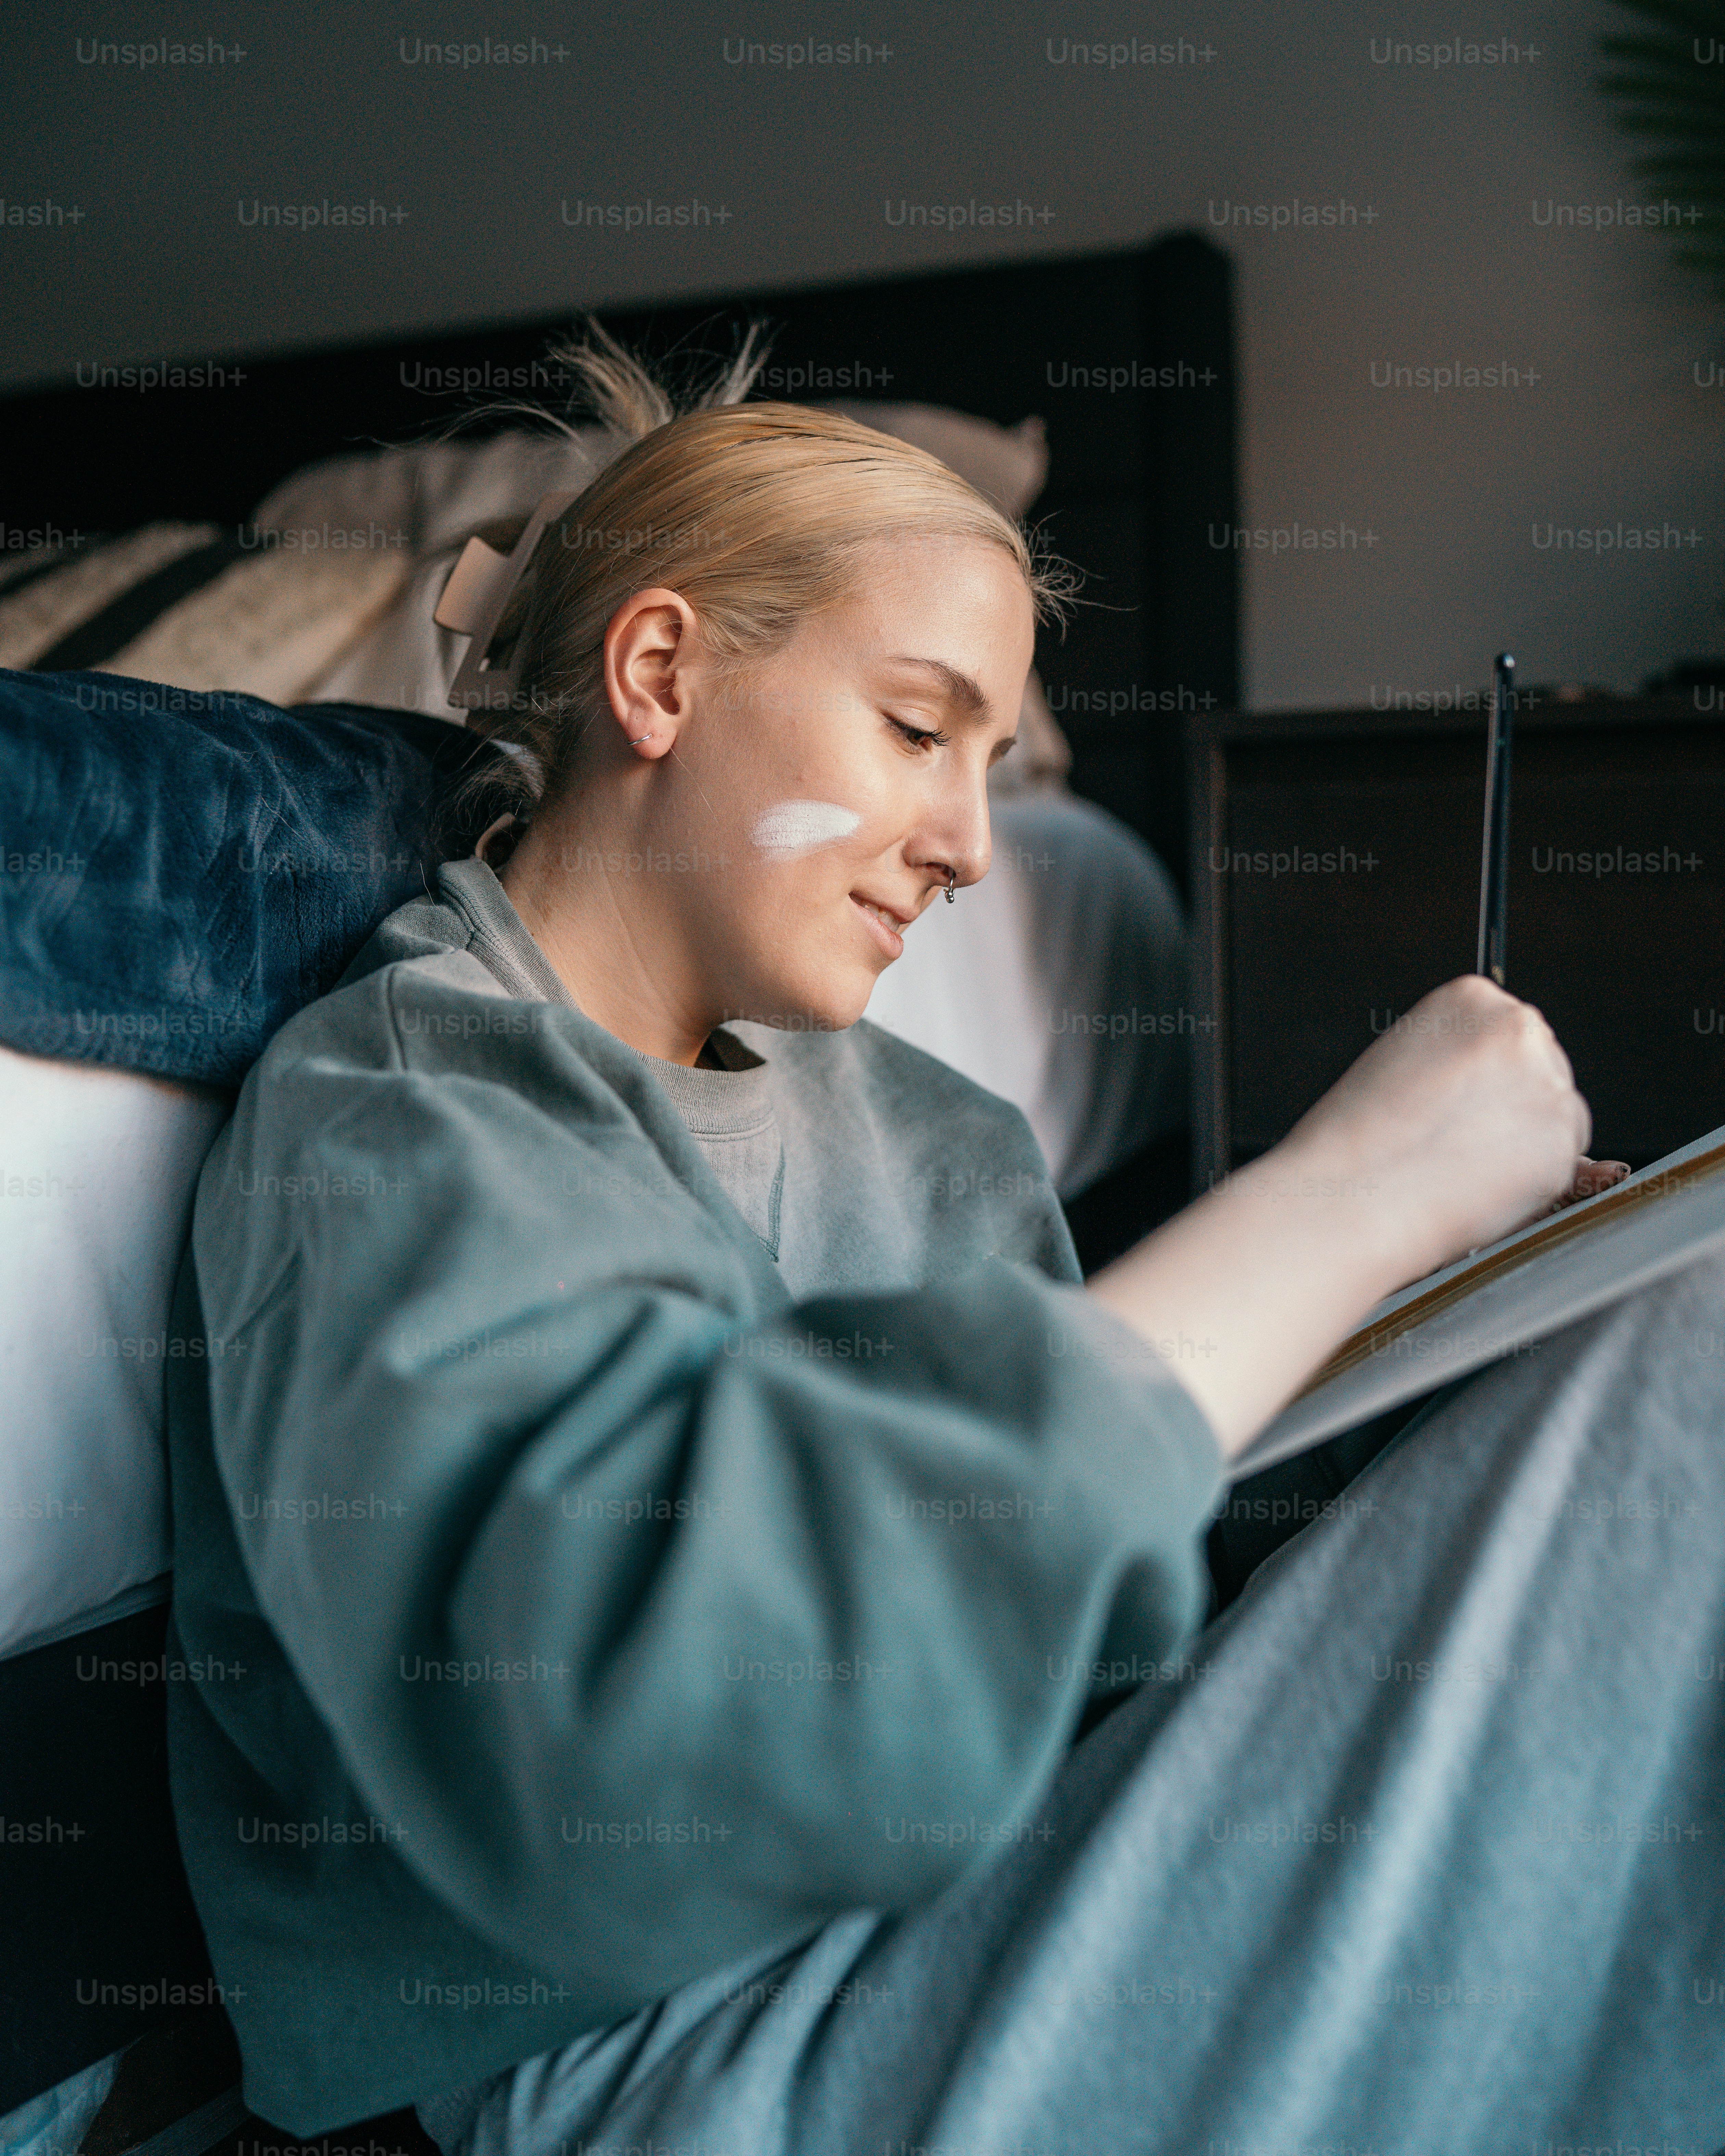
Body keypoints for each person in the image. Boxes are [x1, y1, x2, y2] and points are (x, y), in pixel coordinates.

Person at [162, 327, 1725, 2154]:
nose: (973, 848)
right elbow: (630, 1761)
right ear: (659, 673)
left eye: (991, 762)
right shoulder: (407, 1105)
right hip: (671, 2047)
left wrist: (1434, 1331)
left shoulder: (936, 1134)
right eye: (917, 731)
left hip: (995, 1883)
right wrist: (1346, 1191)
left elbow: (1079, 1614)